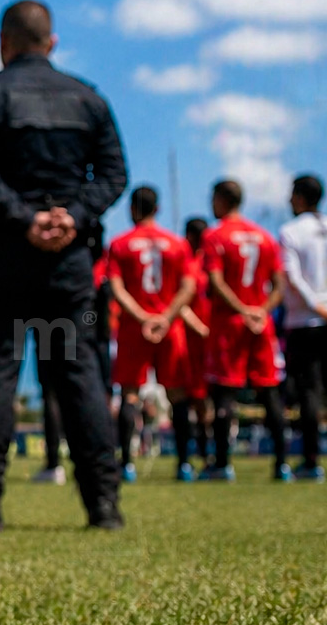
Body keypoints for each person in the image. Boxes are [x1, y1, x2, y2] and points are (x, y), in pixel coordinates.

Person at [0, 0, 127, 530]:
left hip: (2, 256)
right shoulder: (88, 99)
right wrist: (71, 217)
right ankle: (103, 505)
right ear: (51, 43)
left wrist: (24, 218)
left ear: (4, 44)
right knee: (79, 377)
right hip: (69, 263)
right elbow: (115, 174)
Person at [105, 186, 198, 483]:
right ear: (157, 209)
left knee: (130, 393)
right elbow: (188, 286)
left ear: (132, 209)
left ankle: (127, 464)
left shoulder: (120, 244)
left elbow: (116, 288)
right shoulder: (177, 244)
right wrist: (166, 316)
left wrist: (142, 316)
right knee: (177, 395)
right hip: (170, 328)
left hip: (135, 327)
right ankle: (184, 464)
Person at [199, 180, 289, 481]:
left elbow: (215, 281)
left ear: (222, 200)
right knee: (270, 390)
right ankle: (282, 464)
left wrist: (241, 310)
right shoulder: (265, 237)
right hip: (260, 324)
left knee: (224, 393)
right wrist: (260, 311)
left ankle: (223, 464)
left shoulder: (215, 235)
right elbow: (279, 285)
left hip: (230, 324)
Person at [279, 174, 327, 482]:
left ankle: (311, 461)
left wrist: (315, 304)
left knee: (308, 393)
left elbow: (292, 277)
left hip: (304, 322)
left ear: (298, 197)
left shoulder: (290, 231)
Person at [182, 218, 214, 469]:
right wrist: (201, 329)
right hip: (191, 341)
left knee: (204, 401)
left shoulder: (203, 264)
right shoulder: (189, 263)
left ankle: (206, 456)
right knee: (191, 399)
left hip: (206, 341)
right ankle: (194, 457)